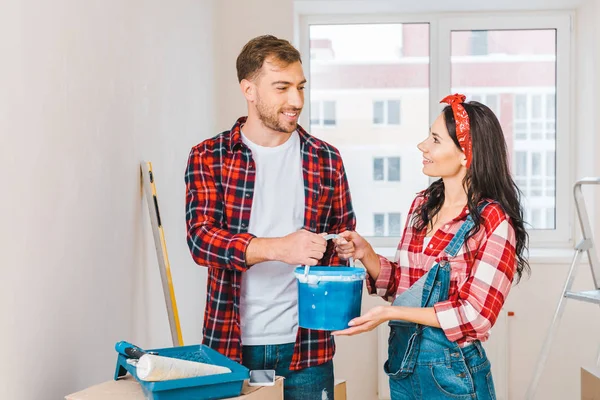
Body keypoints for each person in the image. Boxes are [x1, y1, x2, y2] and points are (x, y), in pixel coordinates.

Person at [184, 35, 355, 399]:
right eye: (282, 88)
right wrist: (280, 248)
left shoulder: (327, 159)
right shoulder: (209, 156)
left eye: (300, 87)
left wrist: (347, 248)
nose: (296, 100)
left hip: (308, 348)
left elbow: (344, 237)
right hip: (231, 344)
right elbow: (201, 241)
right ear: (249, 89)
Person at [333, 94, 529, 399]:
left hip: (454, 373)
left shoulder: (494, 222)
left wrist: (390, 313)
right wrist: (366, 254)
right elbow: (405, 286)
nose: (422, 146)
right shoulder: (423, 205)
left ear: (467, 154)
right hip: (403, 367)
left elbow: (475, 314)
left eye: (435, 140)